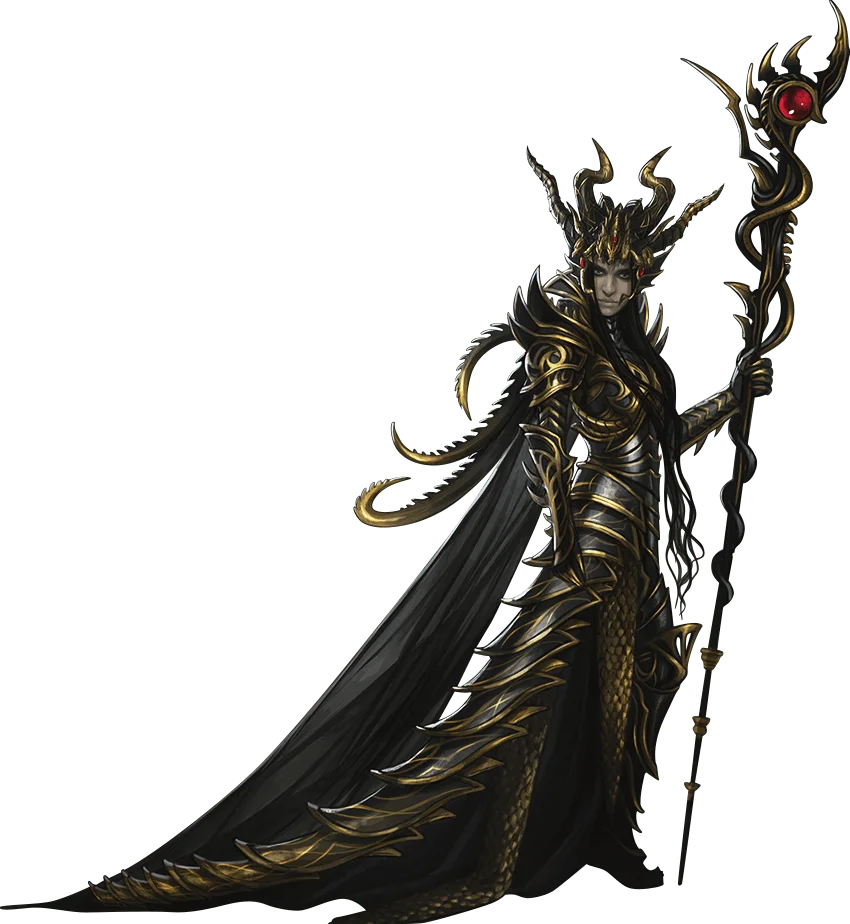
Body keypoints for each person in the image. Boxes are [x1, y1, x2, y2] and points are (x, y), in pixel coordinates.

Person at [0, 142, 772, 919]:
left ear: (641, 278)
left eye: (623, 276)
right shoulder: (571, 343)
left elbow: (660, 442)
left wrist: (733, 396)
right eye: (600, 272)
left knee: (613, 695)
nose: (609, 287)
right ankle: (489, 867)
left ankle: (602, 836)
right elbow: (545, 441)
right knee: (521, 709)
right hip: (594, 538)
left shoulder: (634, 350)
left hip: (631, 538)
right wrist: (567, 541)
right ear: (584, 266)